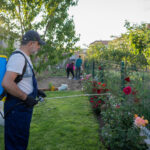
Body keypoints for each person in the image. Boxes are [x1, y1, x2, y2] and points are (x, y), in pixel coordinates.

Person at [2, 30, 46, 150]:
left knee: (21, 142)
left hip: (22, 109)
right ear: (31, 43)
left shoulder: (25, 57)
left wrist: (36, 91)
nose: (38, 47)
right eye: (38, 44)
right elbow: (7, 83)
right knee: (15, 146)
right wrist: (26, 98)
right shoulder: (18, 58)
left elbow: (22, 81)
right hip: (17, 109)